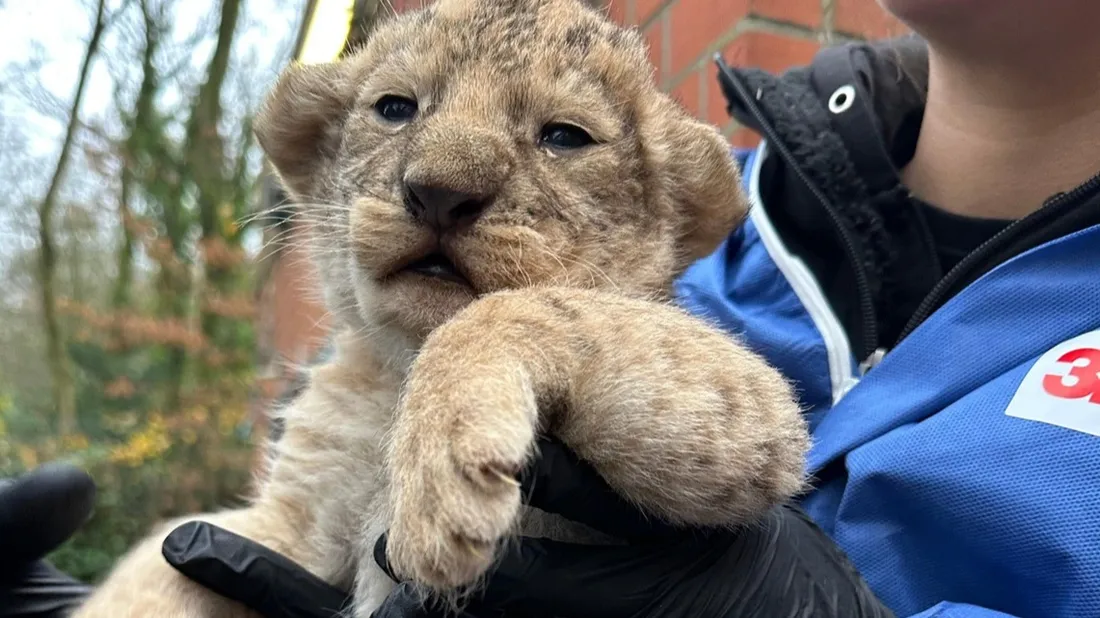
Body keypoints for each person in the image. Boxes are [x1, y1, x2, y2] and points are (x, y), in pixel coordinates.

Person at [6, 0, 1100, 615]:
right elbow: (286, 545)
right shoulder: (758, 225)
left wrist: (513, 340)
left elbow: (749, 436)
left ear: (670, 214)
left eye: (565, 135)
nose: (442, 172)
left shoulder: (654, 229)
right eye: (394, 109)